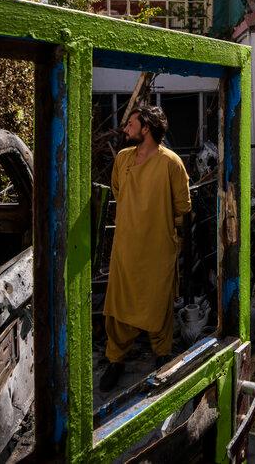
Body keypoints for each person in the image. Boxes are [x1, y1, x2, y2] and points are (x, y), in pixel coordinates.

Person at [99, 104, 191, 392]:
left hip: (158, 249)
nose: (126, 129)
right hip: (126, 246)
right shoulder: (123, 159)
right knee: (118, 306)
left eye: (131, 124)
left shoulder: (171, 163)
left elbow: (182, 207)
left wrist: (167, 232)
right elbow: (118, 192)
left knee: (158, 305)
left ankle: (161, 358)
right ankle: (116, 360)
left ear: (146, 128)